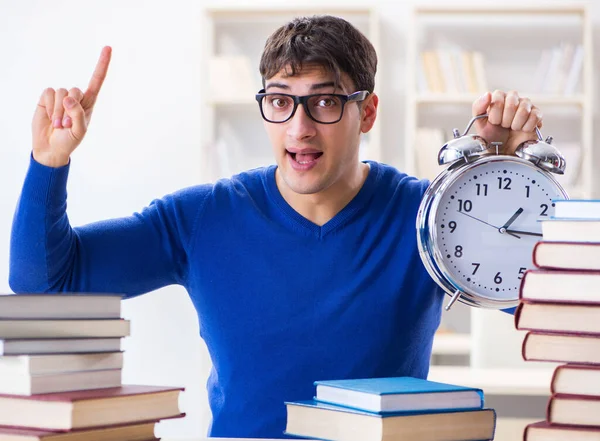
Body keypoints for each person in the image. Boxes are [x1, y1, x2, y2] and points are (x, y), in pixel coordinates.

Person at [9, 15, 543, 438]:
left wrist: (498, 171)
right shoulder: (200, 219)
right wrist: (48, 162)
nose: (300, 127)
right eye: (281, 101)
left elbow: (549, 306)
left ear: (369, 112)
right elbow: (46, 282)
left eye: (326, 101)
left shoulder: (430, 215)